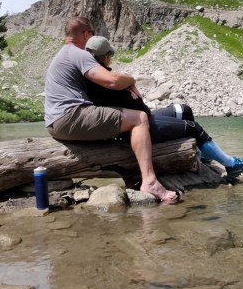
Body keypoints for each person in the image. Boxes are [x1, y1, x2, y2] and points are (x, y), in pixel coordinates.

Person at [43, 16, 179, 203]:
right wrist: (132, 80)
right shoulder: (78, 53)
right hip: (69, 117)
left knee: (117, 122)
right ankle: (150, 181)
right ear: (86, 33)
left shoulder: (62, 54)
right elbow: (112, 81)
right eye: (92, 34)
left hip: (54, 122)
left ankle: (131, 177)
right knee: (139, 118)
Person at [84, 35, 243, 178]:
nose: (111, 58)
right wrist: (129, 85)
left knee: (184, 110)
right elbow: (124, 93)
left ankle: (201, 155)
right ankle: (230, 164)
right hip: (139, 128)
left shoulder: (100, 74)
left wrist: (129, 83)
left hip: (146, 116)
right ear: (104, 56)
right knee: (192, 127)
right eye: (110, 54)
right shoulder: (103, 80)